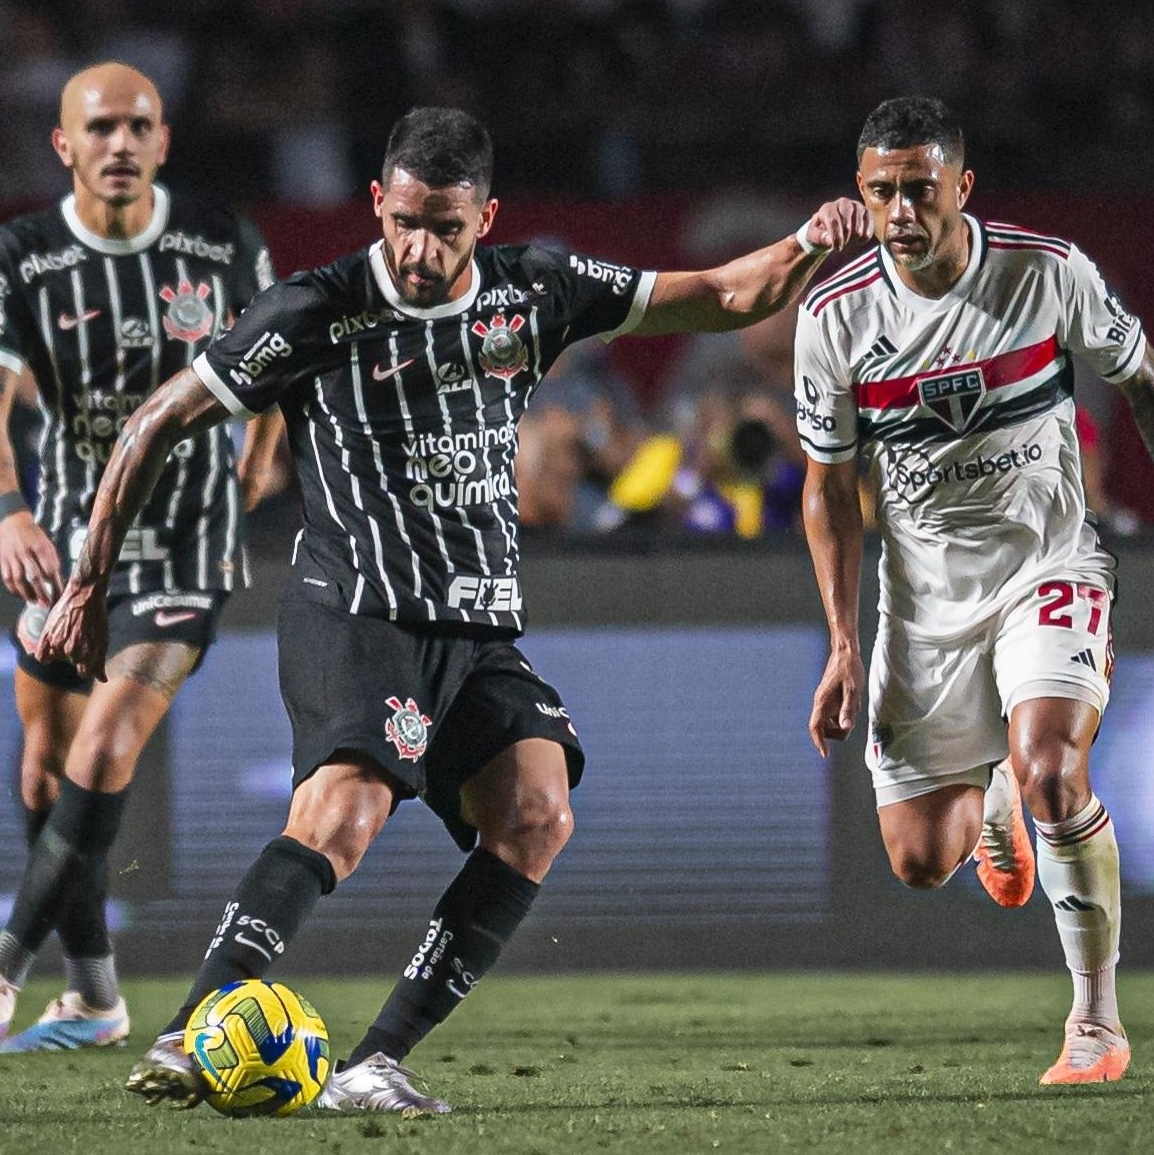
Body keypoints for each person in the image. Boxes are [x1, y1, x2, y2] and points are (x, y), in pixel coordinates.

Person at [34, 106, 871, 1113]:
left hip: (473, 627)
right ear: (379, 202)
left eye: (447, 227)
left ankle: (374, 1062)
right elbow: (159, 419)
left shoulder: (535, 290)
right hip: (356, 610)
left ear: (486, 218)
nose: (421, 249)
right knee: (343, 814)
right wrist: (89, 580)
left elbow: (725, 295)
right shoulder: (316, 309)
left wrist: (807, 243)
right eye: (406, 221)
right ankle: (184, 1033)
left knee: (535, 813)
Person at [795, 96, 1154, 1085]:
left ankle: (1094, 1025)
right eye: (878, 192)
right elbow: (824, 490)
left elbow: (1139, 374)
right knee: (917, 857)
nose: (898, 210)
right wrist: (840, 641)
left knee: (1053, 769)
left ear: (960, 187)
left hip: (1046, 563)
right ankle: (991, 784)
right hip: (921, 608)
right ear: (860, 197)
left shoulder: (1044, 274)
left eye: (917, 188)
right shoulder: (833, 320)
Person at [0, 62, 279, 1052]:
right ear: (64, 146)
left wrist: (262, 448)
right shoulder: (22, 257)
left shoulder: (218, 241)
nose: (120, 143)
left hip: (189, 546)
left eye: (139, 126)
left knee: (107, 739)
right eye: (100, 127)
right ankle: (95, 999)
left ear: (163, 141)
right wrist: (7, 512)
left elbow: (274, 355)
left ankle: (2, 973)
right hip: (69, 546)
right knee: (41, 774)